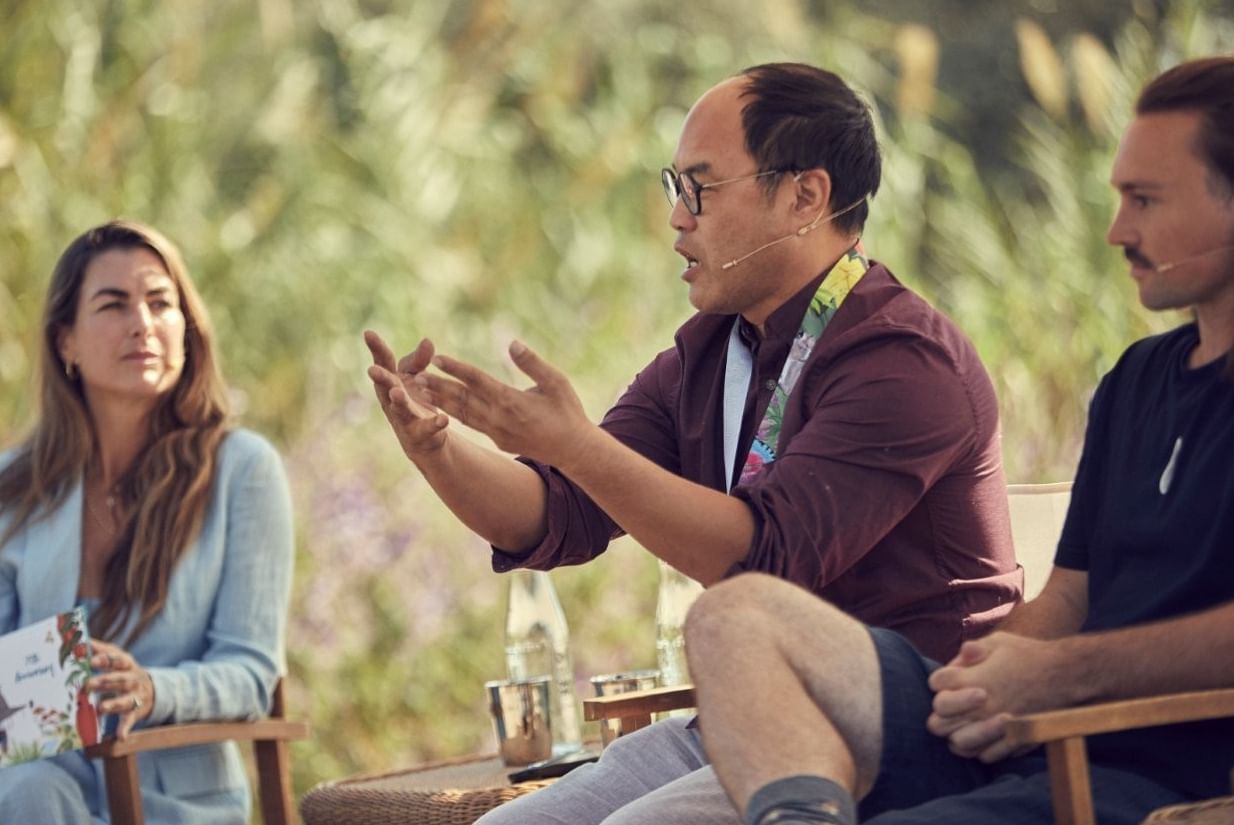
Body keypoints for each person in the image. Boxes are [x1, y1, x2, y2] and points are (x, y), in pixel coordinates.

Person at [368, 62, 1018, 823]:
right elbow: (554, 515)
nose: (677, 218)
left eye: (700, 190)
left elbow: (763, 560)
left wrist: (577, 445)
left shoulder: (903, 358)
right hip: (740, 717)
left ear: (804, 196)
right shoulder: (710, 352)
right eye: (673, 188)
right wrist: (437, 450)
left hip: (908, 731)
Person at [684, 56, 1234, 825]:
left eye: (1144, 200)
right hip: (1021, 728)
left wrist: (1060, 675)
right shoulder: (1138, 379)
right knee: (730, 616)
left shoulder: (899, 353)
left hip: (1144, 767)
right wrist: (989, 670)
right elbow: (1072, 593)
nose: (1118, 231)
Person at [0, 220, 295, 824]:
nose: (143, 322)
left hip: (178, 804)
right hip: (34, 789)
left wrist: (152, 691)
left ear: (187, 328)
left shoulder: (242, 470)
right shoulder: (15, 488)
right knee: (29, 792)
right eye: (113, 304)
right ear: (66, 344)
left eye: (161, 302)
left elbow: (251, 672)